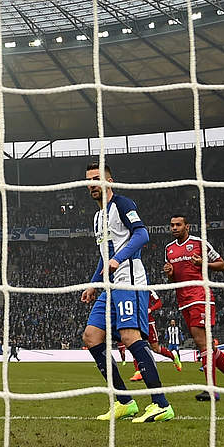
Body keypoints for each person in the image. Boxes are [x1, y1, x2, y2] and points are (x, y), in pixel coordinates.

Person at [80, 162, 173, 423]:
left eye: (97, 178)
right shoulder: (98, 217)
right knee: (91, 336)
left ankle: (161, 403)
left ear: (109, 181)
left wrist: (118, 259)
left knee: (130, 337)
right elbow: (104, 256)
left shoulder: (123, 204)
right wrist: (92, 283)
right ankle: (124, 401)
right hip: (110, 285)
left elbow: (142, 235)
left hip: (129, 281)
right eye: (89, 180)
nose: (92, 184)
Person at [164, 215, 224, 401]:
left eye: (178, 225)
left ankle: (212, 390)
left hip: (200, 297)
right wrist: (170, 274)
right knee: (206, 345)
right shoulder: (168, 249)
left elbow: (222, 264)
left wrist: (204, 264)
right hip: (182, 299)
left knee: (202, 343)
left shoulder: (199, 243)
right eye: (172, 225)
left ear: (187, 226)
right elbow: (173, 278)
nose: (175, 228)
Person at [123, 290, 183, 382]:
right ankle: (138, 371)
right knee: (135, 345)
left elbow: (159, 303)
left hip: (149, 323)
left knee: (155, 348)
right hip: (136, 322)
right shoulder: (129, 290)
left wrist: (150, 309)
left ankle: (173, 355)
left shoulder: (147, 290)